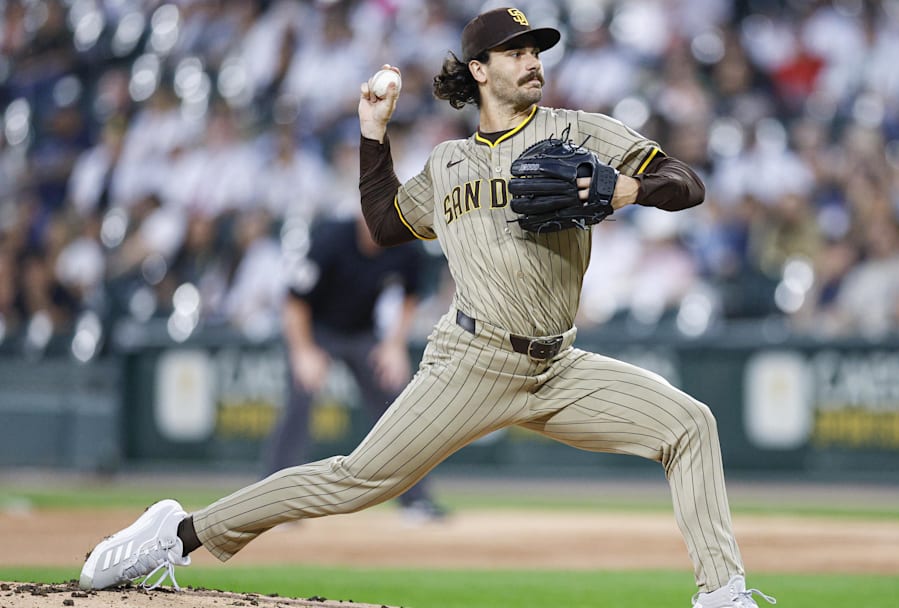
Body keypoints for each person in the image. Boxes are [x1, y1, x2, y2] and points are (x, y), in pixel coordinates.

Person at [79, 8, 774, 608]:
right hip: (470, 361)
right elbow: (383, 224)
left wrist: (627, 190)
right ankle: (177, 532)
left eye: (537, 51)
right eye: (518, 52)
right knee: (356, 480)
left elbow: (687, 183)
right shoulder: (448, 165)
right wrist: (371, 132)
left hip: (560, 366)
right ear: (479, 70)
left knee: (689, 424)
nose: (533, 62)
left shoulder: (577, 131)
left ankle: (721, 592)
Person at [267, 214, 445, 520]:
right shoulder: (331, 238)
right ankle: (273, 504)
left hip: (363, 334)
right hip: (316, 330)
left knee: (398, 404)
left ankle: (416, 501)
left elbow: (410, 297)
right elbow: (294, 301)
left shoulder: (404, 246)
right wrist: (303, 352)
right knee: (298, 405)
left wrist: (394, 345)